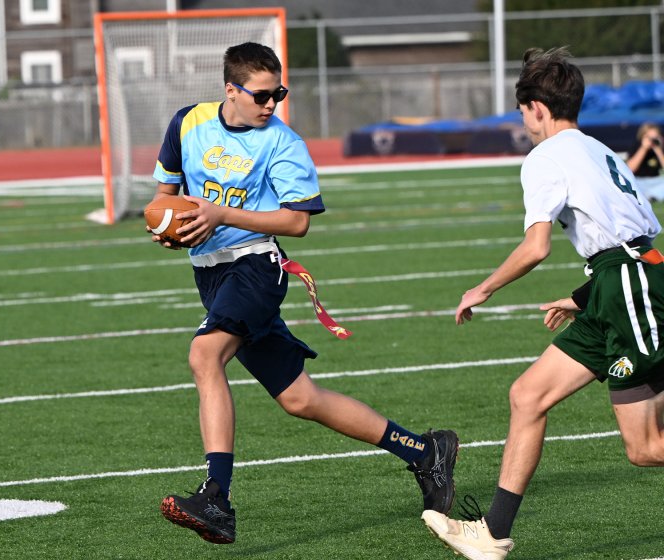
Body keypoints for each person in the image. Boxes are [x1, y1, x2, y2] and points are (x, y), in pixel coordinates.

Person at [146, 41, 458, 545]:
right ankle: (425, 452)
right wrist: (166, 226)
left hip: (255, 269)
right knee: (299, 397)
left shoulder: (282, 142)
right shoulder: (187, 123)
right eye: (262, 96)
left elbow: (296, 222)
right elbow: (164, 196)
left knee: (204, 355)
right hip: (210, 274)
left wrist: (221, 214)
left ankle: (216, 499)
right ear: (231, 89)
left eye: (279, 94)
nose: (272, 105)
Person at [422, 47, 664, 560]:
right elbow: (637, 239)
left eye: (522, 109)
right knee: (528, 395)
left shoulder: (546, 157)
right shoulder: (601, 150)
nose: (523, 120)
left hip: (627, 290)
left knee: (645, 448)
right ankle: (492, 534)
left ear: (535, 107)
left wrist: (482, 289)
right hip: (618, 287)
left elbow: (537, 247)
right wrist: (587, 296)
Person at [626, 122, 664, 202]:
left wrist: (658, 150)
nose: (652, 141)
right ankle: (649, 196)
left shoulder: (659, 148)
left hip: (655, 181)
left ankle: (651, 196)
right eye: (649, 138)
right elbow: (629, 169)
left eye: (655, 137)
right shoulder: (636, 146)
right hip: (638, 181)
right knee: (629, 185)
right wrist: (643, 148)